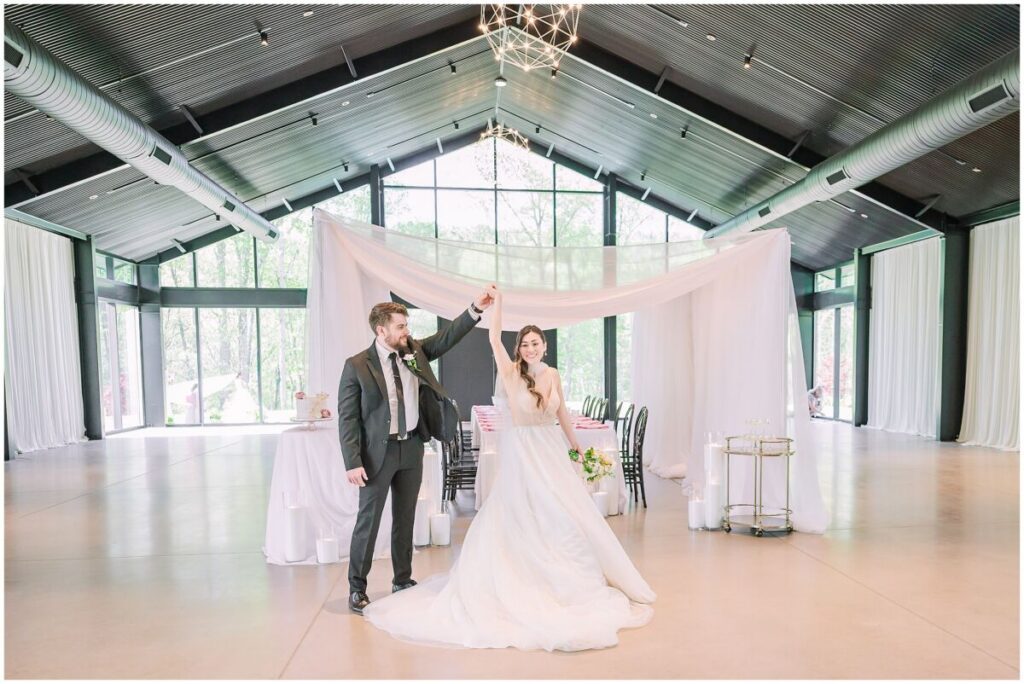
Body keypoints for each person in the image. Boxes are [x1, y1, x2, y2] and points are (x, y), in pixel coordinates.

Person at [363, 285, 656, 652]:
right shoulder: (511, 371)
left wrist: (578, 448)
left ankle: (565, 579)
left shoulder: (553, 376)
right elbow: (494, 337)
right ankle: (522, 581)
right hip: (523, 451)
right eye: (525, 344)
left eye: (536, 343)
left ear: (545, 347)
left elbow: (563, 414)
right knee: (521, 513)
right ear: (519, 349)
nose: (531, 348)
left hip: (550, 450)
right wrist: (498, 302)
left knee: (563, 516)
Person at [339, 292, 494, 616]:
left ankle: (402, 579)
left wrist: (476, 308)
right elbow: (348, 418)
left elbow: (447, 336)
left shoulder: (415, 352)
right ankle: (357, 588)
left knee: (405, 518)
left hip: (411, 447)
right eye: (400, 326)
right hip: (375, 456)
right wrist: (352, 462)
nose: (406, 331)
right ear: (381, 331)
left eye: (407, 325)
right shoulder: (356, 366)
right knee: (368, 522)